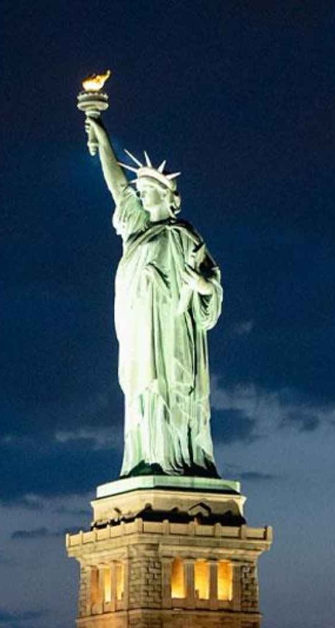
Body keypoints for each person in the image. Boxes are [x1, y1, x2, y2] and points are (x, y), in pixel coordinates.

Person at [86, 115, 223, 478]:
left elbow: (212, 284)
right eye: (141, 191)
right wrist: (103, 139)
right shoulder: (136, 229)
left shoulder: (183, 235)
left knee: (174, 389)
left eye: (148, 191)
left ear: (166, 194)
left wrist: (202, 286)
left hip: (175, 330)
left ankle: (181, 456)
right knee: (143, 391)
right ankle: (147, 457)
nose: (141, 195)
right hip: (140, 329)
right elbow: (118, 187)